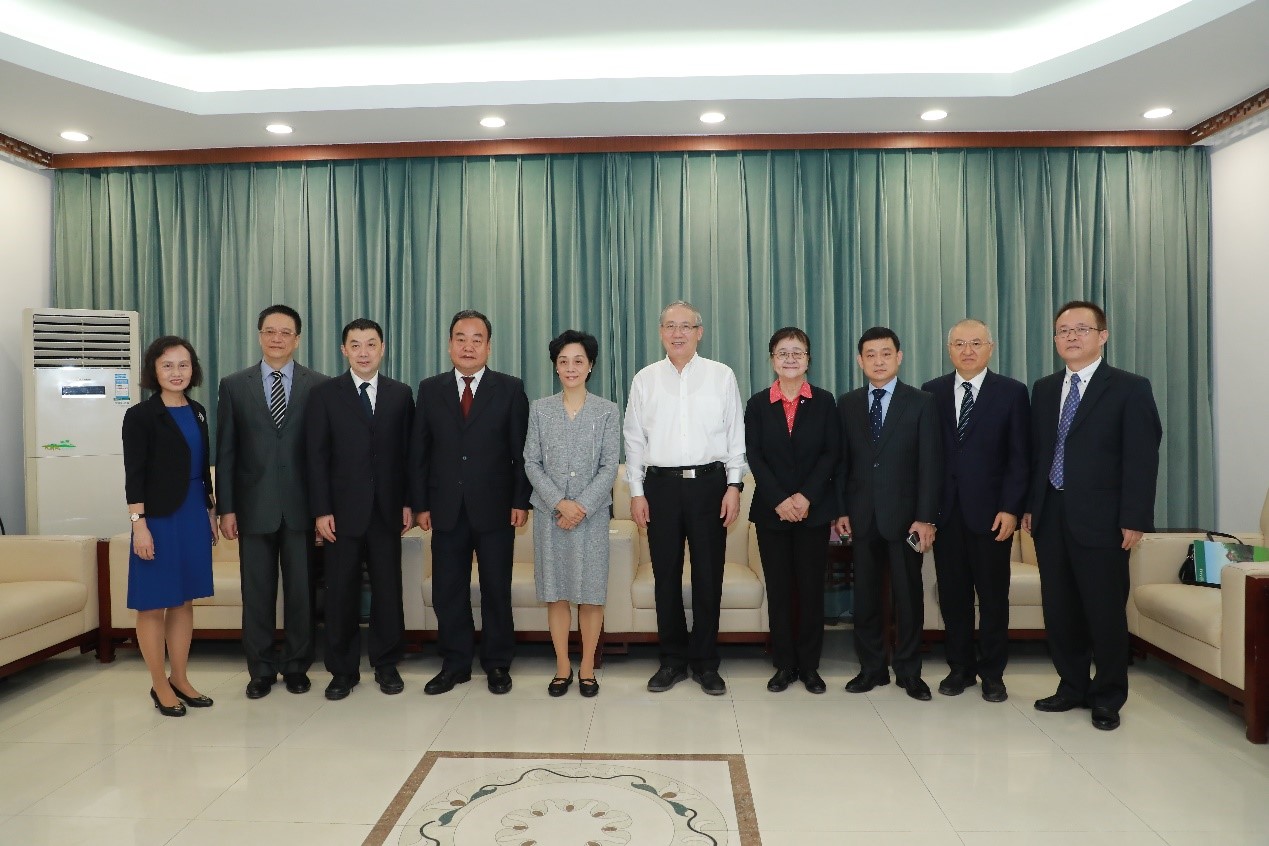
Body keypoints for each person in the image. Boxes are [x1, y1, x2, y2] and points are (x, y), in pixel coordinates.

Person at [1022, 300, 1161, 731]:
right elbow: (1038, 454)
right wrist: (1030, 505)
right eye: (1063, 330)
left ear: (1102, 336)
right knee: (1060, 609)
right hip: (1051, 514)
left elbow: (1142, 458)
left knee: (1104, 611)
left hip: (1104, 519)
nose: (1071, 337)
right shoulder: (1045, 388)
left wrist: (1134, 517)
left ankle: (1108, 696)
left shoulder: (1129, 388)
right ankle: (1072, 687)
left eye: (1081, 329)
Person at [623, 300, 746, 696]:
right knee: (666, 576)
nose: (678, 333)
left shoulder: (721, 375)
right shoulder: (645, 379)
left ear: (699, 332)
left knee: (709, 575)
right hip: (659, 487)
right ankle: (672, 660)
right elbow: (633, 439)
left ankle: (706, 663)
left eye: (686, 326)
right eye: (670, 326)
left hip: (710, 485)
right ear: (661, 332)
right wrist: (637, 492)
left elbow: (735, 435)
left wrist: (734, 486)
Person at [410, 309, 531, 695]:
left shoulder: (509, 388)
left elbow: (520, 452)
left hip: (496, 507)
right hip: (445, 507)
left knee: (496, 588)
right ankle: (455, 663)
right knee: (448, 590)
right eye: (460, 338)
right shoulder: (430, 389)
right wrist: (420, 504)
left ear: (489, 347)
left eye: (477, 339)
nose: (468, 346)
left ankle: (497, 663)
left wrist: (521, 500)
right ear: (449, 345)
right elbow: (419, 452)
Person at [216, 304, 324, 699]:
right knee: (257, 594)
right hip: (252, 507)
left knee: (302, 594)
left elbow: (323, 454)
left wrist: (323, 509)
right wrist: (226, 508)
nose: (277, 338)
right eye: (270, 331)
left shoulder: (319, 385)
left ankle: (297, 667)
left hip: (302, 508)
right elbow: (226, 452)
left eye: (285, 332)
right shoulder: (234, 385)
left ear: (297, 339)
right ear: (260, 335)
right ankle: (260, 670)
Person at [921, 319, 1030, 703]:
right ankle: (960, 668)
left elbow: (1020, 457)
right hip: (947, 515)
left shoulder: (1012, 392)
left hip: (992, 517)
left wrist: (1011, 509)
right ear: (949, 349)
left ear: (990, 348)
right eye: (959, 344)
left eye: (976, 343)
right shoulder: (931, 392)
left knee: (994, 599)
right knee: (953, 597)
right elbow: (927, 457)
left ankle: (993, 674)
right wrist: (927, 512)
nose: (967, 350)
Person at [306, 319, 415, 700]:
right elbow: (316, 457)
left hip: (387, 510)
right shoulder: (324, 394)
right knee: (340, 592)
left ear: (382, 348)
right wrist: (321, 511)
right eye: (355, 345)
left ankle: (387, 664)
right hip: (340, 513)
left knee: (388, 590)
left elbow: (409, 454)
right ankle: (342, 670)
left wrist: (408, 502)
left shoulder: (400, 394)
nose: (364, 352)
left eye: (371, 344)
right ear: (344, 350)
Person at [834, 326, 942, 701]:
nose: (878, 361)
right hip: (862, 516)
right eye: (870, 355)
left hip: (906, 519)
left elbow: (931, 464)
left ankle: (909, 671)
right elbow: (842, 462)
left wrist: (926, 517)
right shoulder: (848, 403)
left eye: (885, 353)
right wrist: (841, 510)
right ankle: (872, 668)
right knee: (865, 598)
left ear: (899, 357)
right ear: (860, 361)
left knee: (908, 597)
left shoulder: (922, 402)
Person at [122, 336, 217, 716]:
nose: (176, 372)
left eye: (183, 364)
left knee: (184, 600)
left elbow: (202, 468)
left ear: (193, 369)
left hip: (193, 512)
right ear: (154, 370)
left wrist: (210, 511)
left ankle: (180, 677)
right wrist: (138, 525)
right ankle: (159, 683)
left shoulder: (198, 411)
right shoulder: (140, 416)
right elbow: (134, 476)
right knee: (153, 603)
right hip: (157, 518)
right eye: (167, 365)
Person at [523, 330, 620, 697]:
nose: (571, 367)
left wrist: (581, 507)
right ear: (555, 367)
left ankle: (588, 667)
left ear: (590, 365)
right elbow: (531, 462)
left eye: (578, 361)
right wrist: (558, 503)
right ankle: (563, 666)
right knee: (557, 593)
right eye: (563, 361)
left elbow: (610, 465)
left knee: (591, 594)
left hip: (591, 517)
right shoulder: (540, 409)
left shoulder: (607, 410)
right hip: (551, 516)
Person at [744, 327, 839, 694]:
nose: (790, 359)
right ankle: (784, 665)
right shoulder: (757, 404)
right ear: (772, 360)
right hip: (772, 512)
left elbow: (831, 453)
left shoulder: (825, 401)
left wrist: (805, 497)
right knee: (780, 590)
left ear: (808, 359)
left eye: (797, 352)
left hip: (813, 511)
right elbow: (755, 456)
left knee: (811, 590)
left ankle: (810, 667)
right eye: (782, 353)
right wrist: (781, 500)